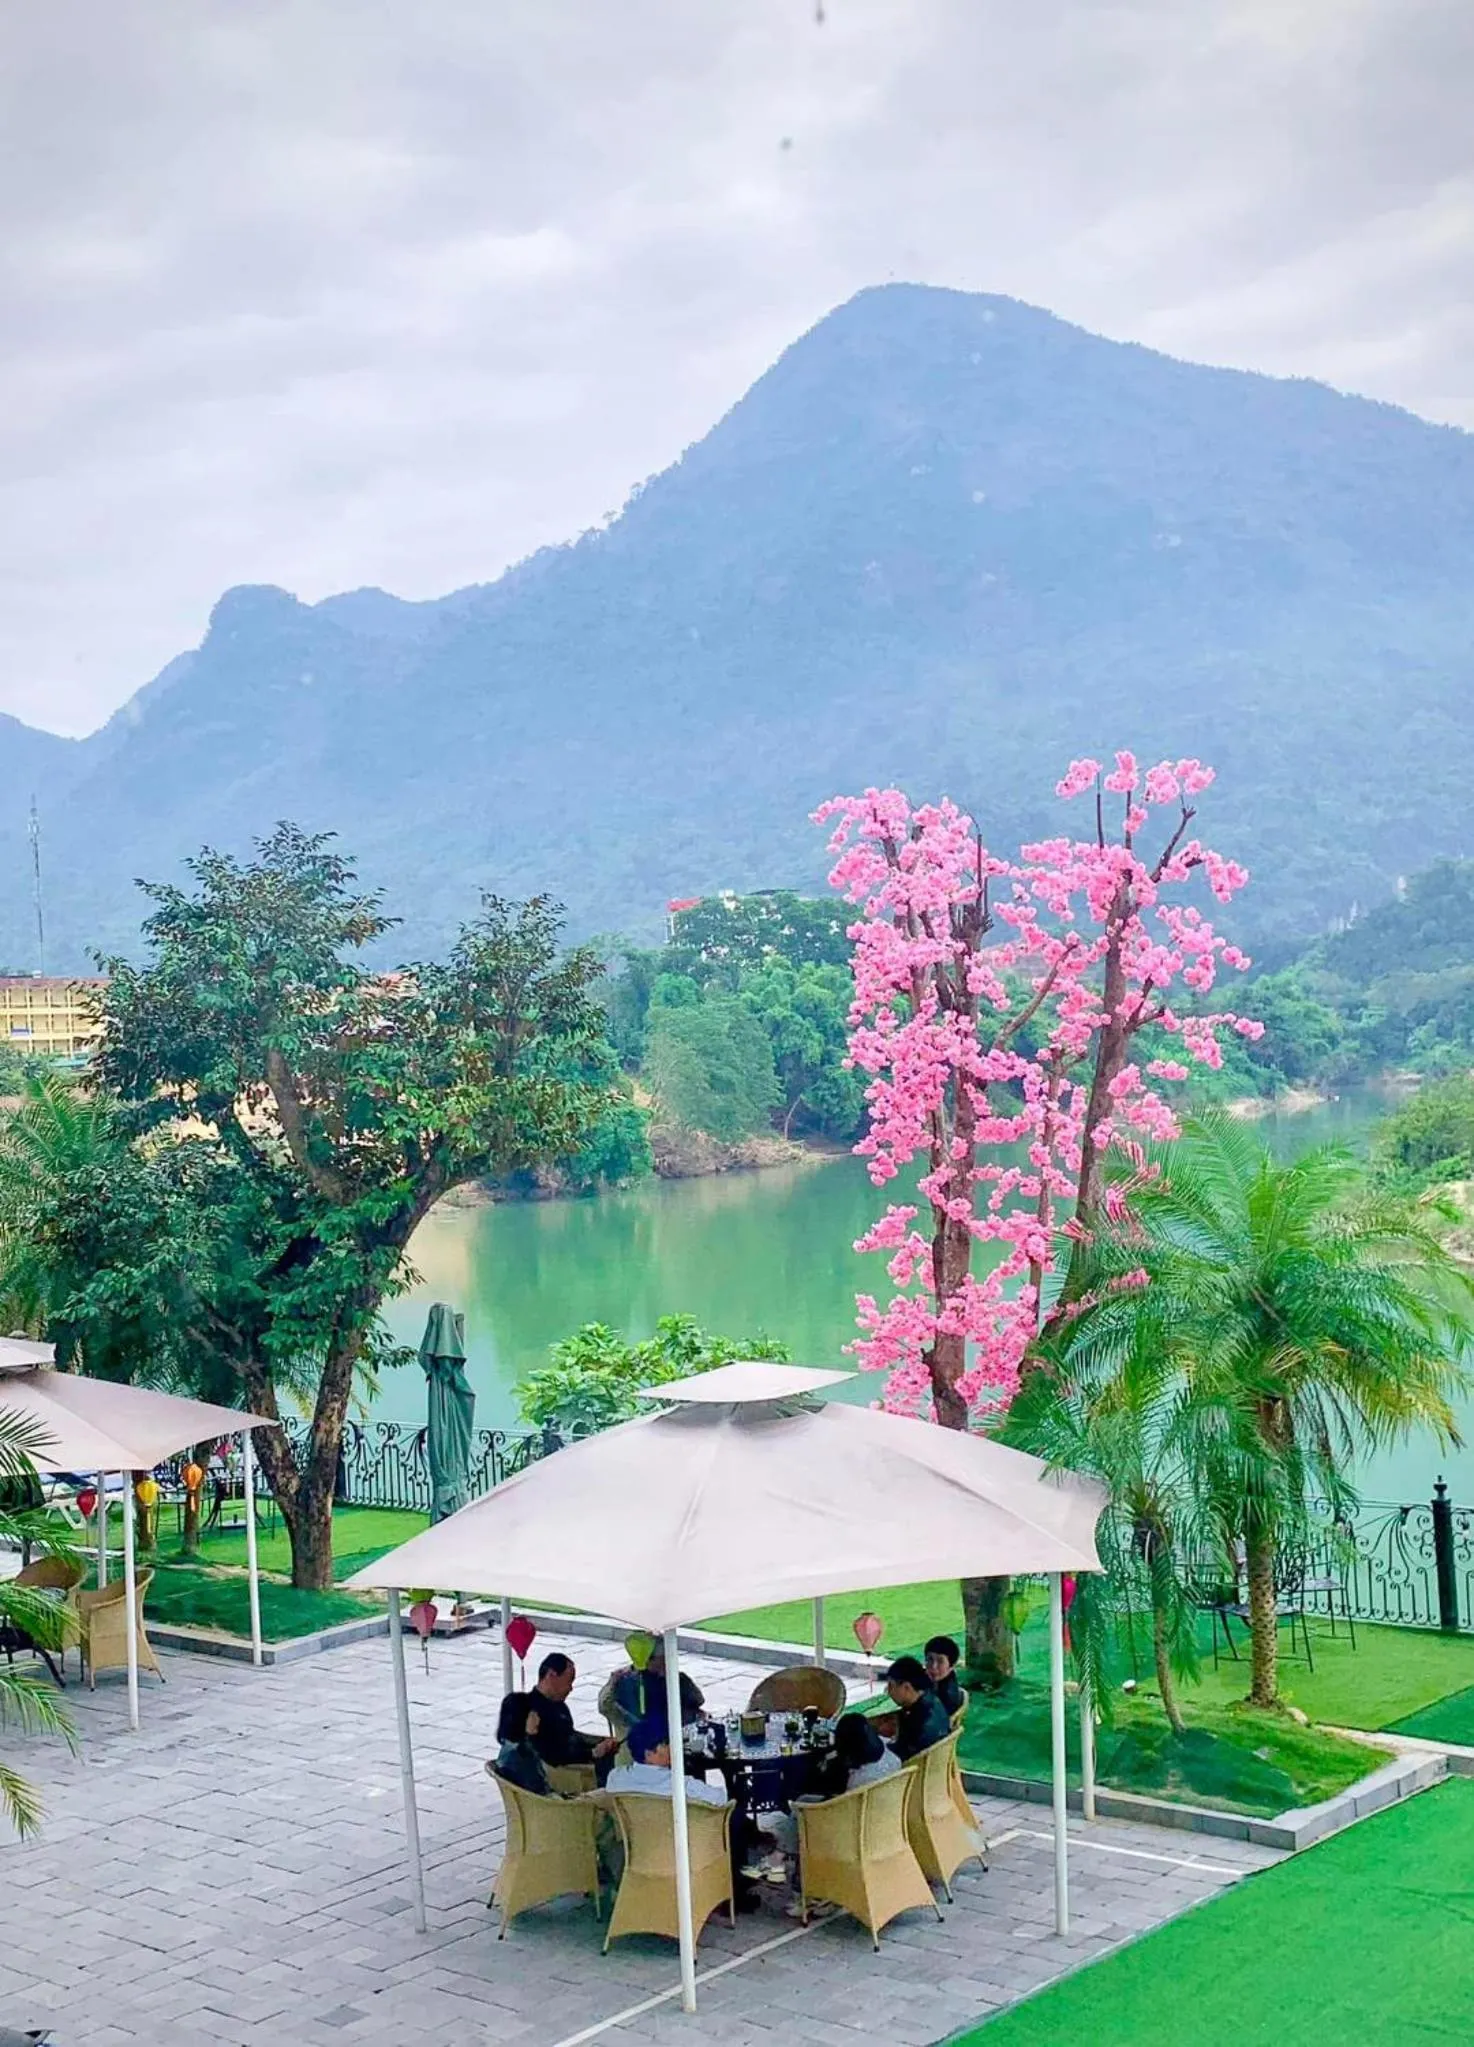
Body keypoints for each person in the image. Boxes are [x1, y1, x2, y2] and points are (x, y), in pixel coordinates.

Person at [604, 1717, 726, 1806]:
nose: (672, 1747)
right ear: (649, 1753)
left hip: (637, 1838)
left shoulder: (615, 1778)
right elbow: (721, 1799)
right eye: (666, 1743)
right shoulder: (684, 1786)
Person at [526, 1652, 620, 1768]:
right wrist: (593, 1753)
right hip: (562, 1772)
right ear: (552, 1676)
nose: (570, 1688)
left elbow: (570, 1735)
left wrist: (599, 1741)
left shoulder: (559, 1706)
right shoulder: (533, 1712)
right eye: (568, 1681)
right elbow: (551, 1755)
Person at [603, 1642, 705, 1737]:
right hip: (664, 1741)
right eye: (663, 1657)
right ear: (650, 1659)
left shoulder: (622, 1678)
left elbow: (605, 1705)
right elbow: (698, 1699)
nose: (667, 1659)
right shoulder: (675, 1680)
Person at [883, 1655, 950, 1761]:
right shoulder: (931, 1699)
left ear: (906, 1687)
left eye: (891, 1686)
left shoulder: (918, 1721)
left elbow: (901, 1755)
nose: (888, 1692)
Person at [491, 1691, 554, 1797]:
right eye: (534, 1715)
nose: (538, 1720)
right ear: (521, 1717)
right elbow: (538, 1789)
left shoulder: (511, 1748)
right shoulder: (520, 1755)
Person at [924, 1635, 965, 1719]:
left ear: (951, 1665)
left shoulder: (946, 1696)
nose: (933, 1666)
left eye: (940, 1661)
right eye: (930, 1659)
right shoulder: (945, 1679)